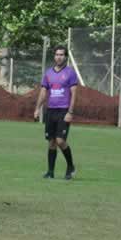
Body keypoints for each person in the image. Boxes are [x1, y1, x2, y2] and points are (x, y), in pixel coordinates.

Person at [33, 45, 78, 179]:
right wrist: (37, 108)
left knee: (60, 140)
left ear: (65, 57)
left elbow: (74, 94)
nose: (59, 57)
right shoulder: (48, 73)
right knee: (51, 141)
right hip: (50, 110)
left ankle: (70, 166)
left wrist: (70, 112)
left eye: (61, 55)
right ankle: (50, 172)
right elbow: (43, 92)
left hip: (63, 110)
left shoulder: (70, 73)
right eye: (57, 54)